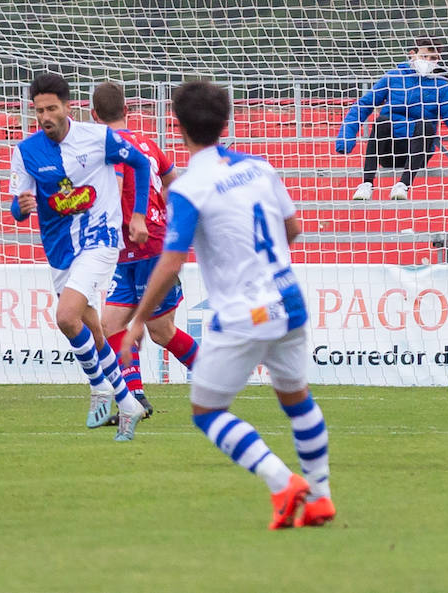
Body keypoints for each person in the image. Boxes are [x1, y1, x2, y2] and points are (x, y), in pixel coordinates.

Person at [121, 80, 334, 529]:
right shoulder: (259, 167)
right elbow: (292, 228)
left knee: (207, 411)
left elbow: (172, 260)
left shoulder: (190, 186)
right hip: (289, 298)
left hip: (245, 311)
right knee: (296, 399)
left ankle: (282, 481)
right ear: (226, 121)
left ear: (178, 127)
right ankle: (321, 496)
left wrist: (139, 319)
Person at [7, 73, 150, 441]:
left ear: (68, 107)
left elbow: (141, 163)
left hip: (100, 238)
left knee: (67, 317)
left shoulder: (97, 138)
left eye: (52, 108)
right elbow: (17, 210)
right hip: (60, 250)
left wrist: (136, 214)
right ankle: (128, 402)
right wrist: (21, 208)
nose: (45, 117)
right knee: (94, 332)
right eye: (39, 111)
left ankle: (100, 388)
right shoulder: (26, 152)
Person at [89, 82, 199, 418]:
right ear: (127, 111)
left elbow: (118, 185)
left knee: (160, 331)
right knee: (110, 326)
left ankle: (213, 374)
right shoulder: (149, 144)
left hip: (145, 244)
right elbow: (172, 180)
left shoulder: (111, 147)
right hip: (138, 247)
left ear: (93, 115)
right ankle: (135, 396)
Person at [336, 37, 448, 201]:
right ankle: (366, 184)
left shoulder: (441, 86)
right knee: (382, 121)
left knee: (425, 124)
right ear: (412, 54)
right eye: (425, 57)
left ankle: (403, 185)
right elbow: (363, 105)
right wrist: (346, 138)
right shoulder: (393, 77)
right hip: (389, 150)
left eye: (434, 58)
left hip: (418, 153)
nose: (429, 61)